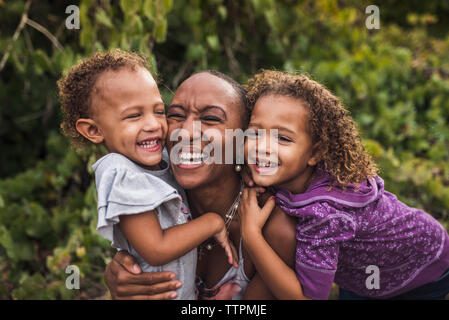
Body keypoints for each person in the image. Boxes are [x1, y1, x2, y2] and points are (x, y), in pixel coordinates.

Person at [239, 69, 449, 300]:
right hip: (365, 270)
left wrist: (252, 236)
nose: (262, 147)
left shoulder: (327, 216)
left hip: (419, 272)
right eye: (254, 133)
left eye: (283, 138)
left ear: (315, 153)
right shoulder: (294, 171)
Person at [57, 50, 238, 300]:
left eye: (159, 111)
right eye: (133, 116)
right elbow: (155, 248)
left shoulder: (156, 160)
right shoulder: (122, 173)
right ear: (94, 130)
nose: (153, 124)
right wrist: (213, 222)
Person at [103, 69, 297, 300]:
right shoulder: (156, 199)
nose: (185, 133)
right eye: (175, 115)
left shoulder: (274, 228)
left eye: (211, 119)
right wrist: (120, 278)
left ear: (244, 139)